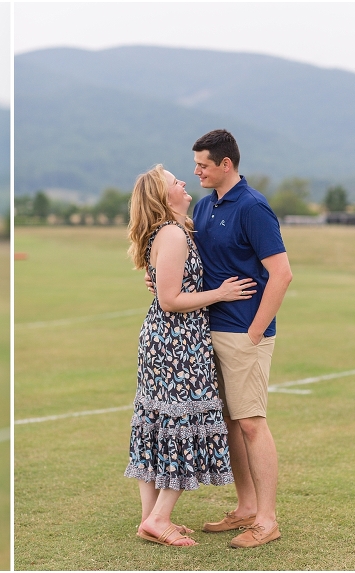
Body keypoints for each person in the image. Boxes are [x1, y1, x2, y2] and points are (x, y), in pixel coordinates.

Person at [126, 164, 256, 547]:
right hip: (177, 344)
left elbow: (164, 285)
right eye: (174, 182)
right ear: (163, 197)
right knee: (184, 424)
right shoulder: (172, 233)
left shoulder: (173, 231)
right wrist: (221, 293)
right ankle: (160, 518)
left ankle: (149, 520)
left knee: (158, 425)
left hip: (166, 340)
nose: (184, 182)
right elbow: (170, 299)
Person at [190, 129, 292, 548]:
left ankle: (267, 520)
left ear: (225, 164)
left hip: (243, 333)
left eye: (203, 165)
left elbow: (282, 273)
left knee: (251, 422)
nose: (196, 171)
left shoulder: (253, 206)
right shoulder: (202, 205)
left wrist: (255, 331)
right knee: (231, 422)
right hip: (208, 328)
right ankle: (246, 508)